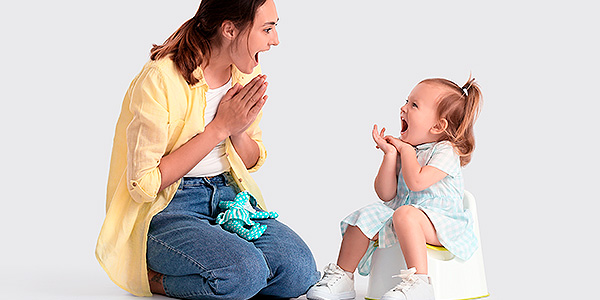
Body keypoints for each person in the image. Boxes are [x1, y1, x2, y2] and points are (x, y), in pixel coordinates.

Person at [95, 0, 320, 299]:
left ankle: (228, 268)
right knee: (245, 273)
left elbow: (252, 160)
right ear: (229, 29)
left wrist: (238, 131)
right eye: (267, 29)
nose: (275, 40)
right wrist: (219, 128)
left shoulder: (246, 73)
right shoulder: (160, 79)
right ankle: (156, 280)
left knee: (300, 272)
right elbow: (144, 185)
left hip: (229, 198)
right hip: (169, 208)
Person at [306, 77, 482, 300]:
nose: (403, 108)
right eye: (407, 101)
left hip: (443, 224)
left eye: (414, 105)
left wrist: (406, 152)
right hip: (403, 216)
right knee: (365, 215)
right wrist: (390, 155)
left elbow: (416, 182)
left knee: (406, 214)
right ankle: (343, 277)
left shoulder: (446, 150)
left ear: (438, 126)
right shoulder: (406, 150)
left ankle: (420, 282)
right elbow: (386, 194)